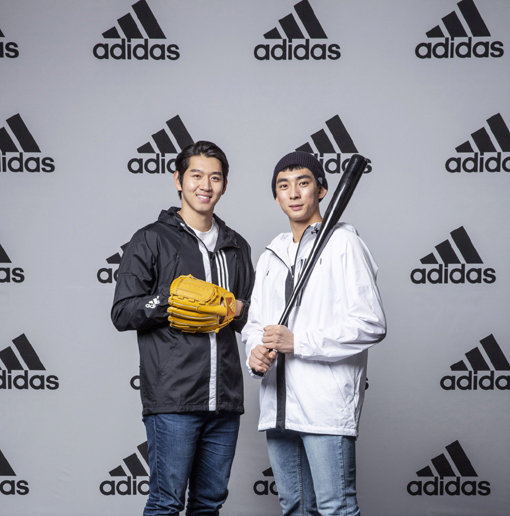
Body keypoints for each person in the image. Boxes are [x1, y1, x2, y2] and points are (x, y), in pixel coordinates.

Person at [111, 140, 254, 515]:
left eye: (215, 177)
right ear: (178, 180)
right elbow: (123, 311)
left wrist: (241, 310)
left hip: (224, 400)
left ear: (224, 185)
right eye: (196, 175)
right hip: (173, 399)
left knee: (209, 504)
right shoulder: (151, 239)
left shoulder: (236, 246)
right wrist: (168, 300)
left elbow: (248, 316)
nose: (205, 185)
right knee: (166, 502)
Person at [242, 151, 386, 516]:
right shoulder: (271, 254)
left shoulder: (343, 243)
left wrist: (298, 341)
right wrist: (255, 352)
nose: (293, 193)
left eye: (303, 183)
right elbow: (256, 324)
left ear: (321, 190)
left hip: (324, 408)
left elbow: (370, 323)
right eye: (283, 186)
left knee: (336, 508)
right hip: (278, 408)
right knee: (295, 507)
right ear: (276, 197)